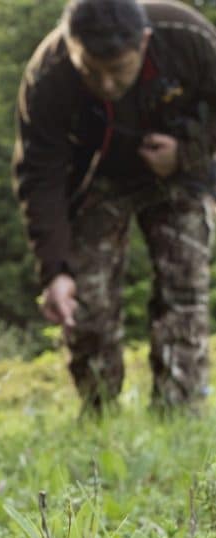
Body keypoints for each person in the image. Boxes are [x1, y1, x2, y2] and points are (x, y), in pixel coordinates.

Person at [13, 0, 216, 411]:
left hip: (177, 174)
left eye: (119, 70)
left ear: (143, 41)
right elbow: (39, 174)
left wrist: (187, 153)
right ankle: (99, 410)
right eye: (91, 71)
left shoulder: (188, 37)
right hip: (95, 182)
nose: (106, 84)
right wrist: (53, 269)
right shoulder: (47, 75)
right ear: (71, 46)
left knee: (185, 290)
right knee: (84, 300)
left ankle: (178, 411)